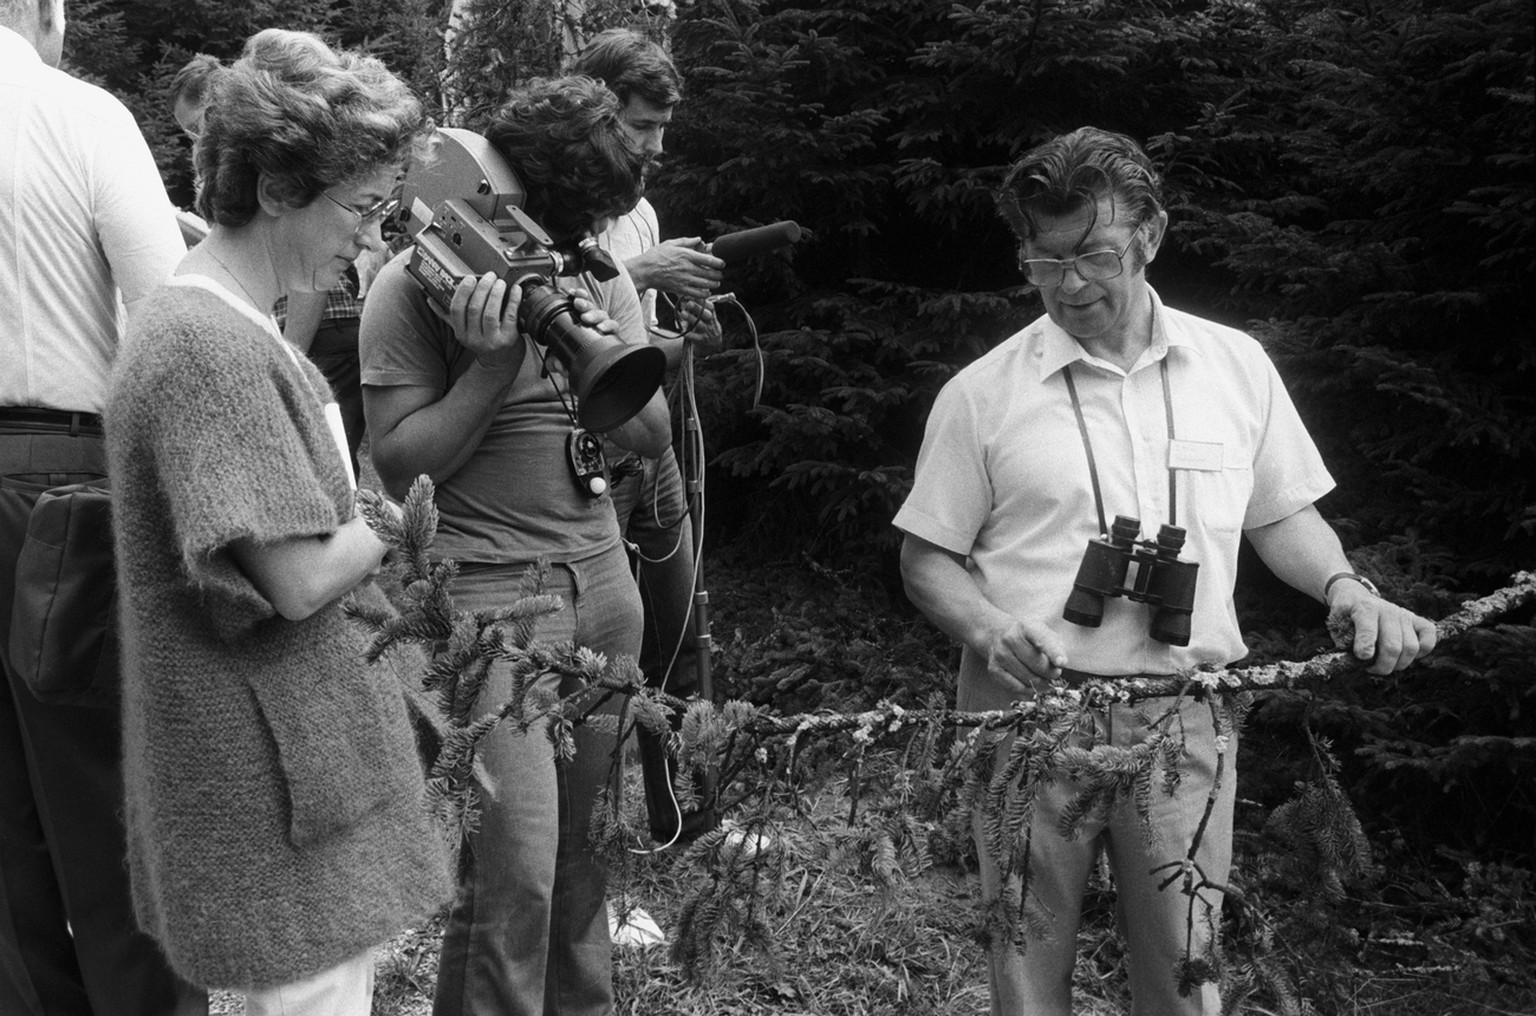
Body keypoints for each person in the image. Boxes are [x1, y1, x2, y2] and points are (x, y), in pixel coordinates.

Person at [893, 126, 1438, 1016]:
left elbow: (1282, 514)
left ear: (1151, 234)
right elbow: (927, 558)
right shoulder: (982, 394)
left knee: (1188, 976)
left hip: (1185, 720)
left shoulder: (1235, 365)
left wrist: (1345, 586)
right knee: (1025, 976)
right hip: (1027, 716)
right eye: (1044, 259)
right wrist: (989, 629)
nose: (1071, 285)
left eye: (1095, 254)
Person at [104, 28, 452, 1016]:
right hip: (270, 794)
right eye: (364, 206)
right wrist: (395, 506)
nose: (375, 237)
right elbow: (294, 577)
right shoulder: (204, 347)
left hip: (290, 773)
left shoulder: (234, 326)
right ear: (275, 191)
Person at [360, 74, 671, 1016]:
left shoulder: (597, 274)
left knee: (588, 862)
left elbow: (648, 432)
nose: (573, 245)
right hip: (490, 598)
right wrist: (494, 363)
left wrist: (583, 337)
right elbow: (400, 466)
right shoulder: (416, 283)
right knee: (515, 876)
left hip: (604, 590)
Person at [0, 2, 203, 1014]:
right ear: (39, 9)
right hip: (58, 486)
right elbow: (167, 317)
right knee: (118, 812)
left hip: (46, 478)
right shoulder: (77, 114)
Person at [568, 27, 724, 843]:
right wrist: (646, 275)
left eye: (664, 129)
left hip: (654, 453)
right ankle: (593, 833)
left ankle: (680, 814)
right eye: (638, 127)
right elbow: (561, 321)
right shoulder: (555, 204)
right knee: (597, 656)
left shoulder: (642, 212)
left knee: (676, 631)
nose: (656, 147)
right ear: (596, 118)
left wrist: (689, 329)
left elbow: (643, 351)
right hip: (590, 463)